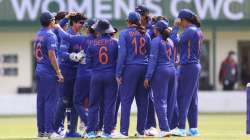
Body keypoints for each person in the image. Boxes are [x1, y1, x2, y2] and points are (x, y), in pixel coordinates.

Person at [113, 12, 151, 138]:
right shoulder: (146, 34)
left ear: (128, 21)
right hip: (144, 68)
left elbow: (122, 54)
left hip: (130, 69)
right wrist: (149, 75)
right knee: (143, 103)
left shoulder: (124, 33)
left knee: (126, 101)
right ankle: (141, 131)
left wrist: (118, 73)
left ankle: (124, 132)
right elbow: (150, 55)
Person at [53, 13, 87, 138]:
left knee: (74, 102)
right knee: (63, 101)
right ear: (74, 23)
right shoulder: (67, 35)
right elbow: (62, 53)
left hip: (76, 72)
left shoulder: (80, 36)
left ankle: (72, 131)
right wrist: (73, 56)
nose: (82, 25)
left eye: (83, 23)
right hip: (66, 71)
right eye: (80, 23)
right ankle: (54, 130)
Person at [171, 9, 203, 137]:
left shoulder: (189, 31)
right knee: (193, 98)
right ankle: (193, 128)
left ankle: (181, 128)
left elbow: (174, 41)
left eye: (180, 20)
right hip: (195, 65)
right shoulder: (198, 30)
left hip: (187, 66)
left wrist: (175, 27)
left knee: (182, 97)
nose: (180, 22)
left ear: (183, 20)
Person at [85, 19, 118, 138]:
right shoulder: (115, 42)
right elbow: (118, 61)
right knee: (109, 104)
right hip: (111, 75)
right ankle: (107, 132)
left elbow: (87, 64)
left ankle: (90, 132)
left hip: (96, 75)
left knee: (93, 104)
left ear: (99, 30)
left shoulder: (92, 44)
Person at [144, 20, 176, 137]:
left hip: (161, 71)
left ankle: (164, 128)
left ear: (157, 30)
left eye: (154, 28)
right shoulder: (171, 41)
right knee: (169, 101)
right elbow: (173, 59)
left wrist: (148, 77)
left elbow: (152, 61)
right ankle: (167, 126)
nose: (153, 29)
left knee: (159, 101)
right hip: (172, 70)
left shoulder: (155, 41)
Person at [34, 11, 64, 138]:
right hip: (48, 71)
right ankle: (49, 131)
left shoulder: (38, 34)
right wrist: (58, 72)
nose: (55, 22)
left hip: (39, 69)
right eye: (53, 20)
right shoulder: (50, 35)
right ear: (51, 21)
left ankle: (41, 131)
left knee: (41, 101)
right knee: (51, 101)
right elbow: (52, 55)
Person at [135, 5, 158, 136]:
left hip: (149, 66)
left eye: (140, 15)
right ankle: (143, 127)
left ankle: (152, 125)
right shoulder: (137, 27)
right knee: (143, 98)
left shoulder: (151, 28)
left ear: (145, 15)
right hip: (139, 67)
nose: (138, 17)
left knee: (149, 97)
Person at [74, 18, 96, 135]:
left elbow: (68, 38)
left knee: (77, 102)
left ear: (88, 28)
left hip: (83, 73)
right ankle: (96, 126)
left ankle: (89, 124)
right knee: (93, 102)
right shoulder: (99, 40)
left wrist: (58, 27)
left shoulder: (84, 39)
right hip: (96, 74)